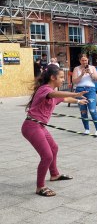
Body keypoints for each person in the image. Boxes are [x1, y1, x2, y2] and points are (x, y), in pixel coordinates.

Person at [22, 64, 88, 197]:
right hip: (32, 126)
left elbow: (63, 98)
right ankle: (40, 187)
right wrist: (75, 93)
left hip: (39, 126)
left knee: (54, 148)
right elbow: (54, 94)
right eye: (61, 77)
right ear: (52, 77)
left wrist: (78, 101)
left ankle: (54, 174)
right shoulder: (44, 89)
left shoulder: (51, 91)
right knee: (47, 156)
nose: (63, 79)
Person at [72, 54, 97, 136]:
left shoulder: (92, 68)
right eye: (82, 60)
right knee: (83, 111)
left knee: (92, 110)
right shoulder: (76, 68)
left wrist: (91, 73)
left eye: (85, 60)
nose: (84, 62)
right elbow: (74, 81)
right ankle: (87, 129)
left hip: (90, 90)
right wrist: (81, 74)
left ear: (88, 60)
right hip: (80, 90)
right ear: (80, 61)